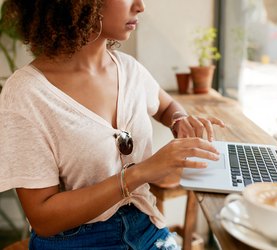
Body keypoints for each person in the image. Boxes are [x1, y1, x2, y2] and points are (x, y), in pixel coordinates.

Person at [0, 0, 225, 249]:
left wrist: (179, 121)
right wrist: (142, 172)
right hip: (75, 241)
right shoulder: (26, 93)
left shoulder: (129, 69)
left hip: (146, 227)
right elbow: (43, 219)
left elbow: (166, 106)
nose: (140, 6)